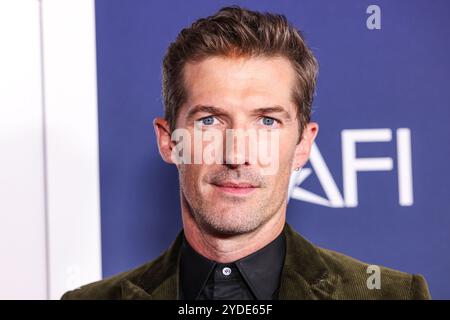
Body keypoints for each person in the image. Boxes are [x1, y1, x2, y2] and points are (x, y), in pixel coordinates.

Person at [62, 6, 430, 300]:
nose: (237, 153)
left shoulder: (392, 296)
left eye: (267, 122)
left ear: (303, 145)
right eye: (209, 121)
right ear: (169, 141)